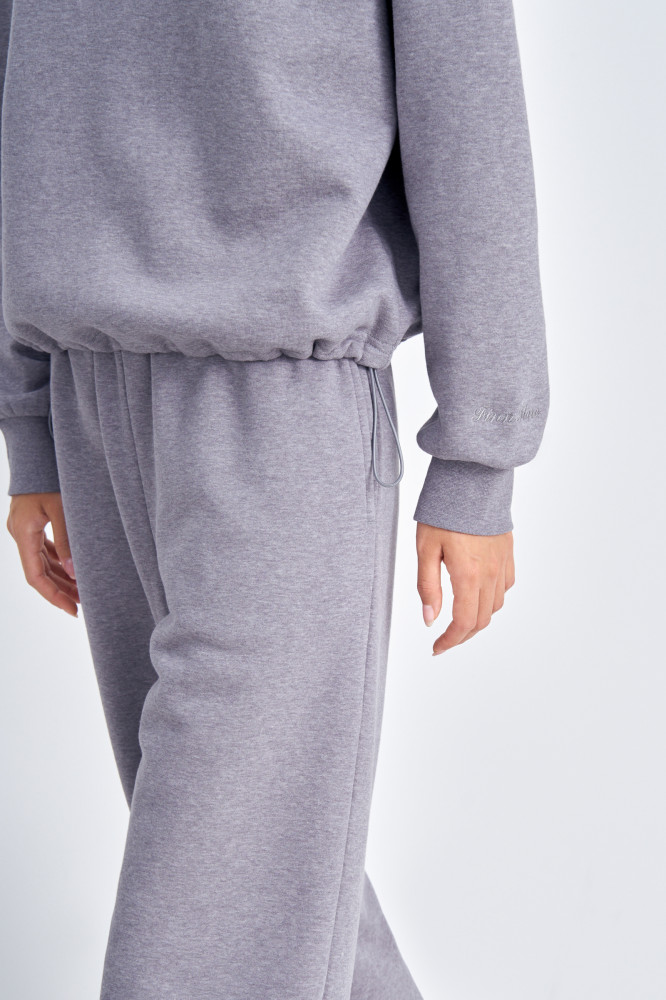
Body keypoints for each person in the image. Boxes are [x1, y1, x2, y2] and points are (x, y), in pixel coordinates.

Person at [0, 1, 549, 997]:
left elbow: (470, 112)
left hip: (283, 394)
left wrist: (480, 451)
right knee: (260, 885)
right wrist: (28, 417)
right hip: (89, 378)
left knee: (229, 906)